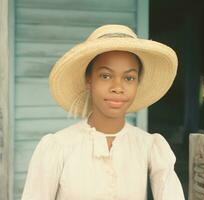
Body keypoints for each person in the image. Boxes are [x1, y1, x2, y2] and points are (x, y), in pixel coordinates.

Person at [21, 24, 185, 200]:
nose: (118, 87)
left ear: (137, 83)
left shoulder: (149, 147)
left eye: (129, 78)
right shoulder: (58, 147)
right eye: (105, 76)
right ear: (88, 79)